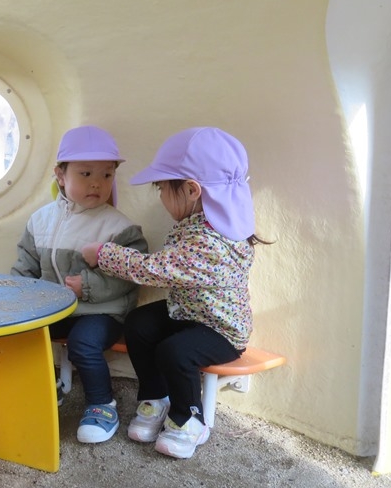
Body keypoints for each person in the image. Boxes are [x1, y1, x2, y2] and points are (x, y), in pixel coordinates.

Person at [82, 126, 270, 459]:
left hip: (221, 331)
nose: (161, 198)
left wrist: (104, 254)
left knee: (176, 351)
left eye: (163, 189)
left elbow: (156, 269)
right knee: (139, 323)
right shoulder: (205, 223)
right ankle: (155, 398)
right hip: (187, 312)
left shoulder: (212, 241)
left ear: (192, 190)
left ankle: (189, 419)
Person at [11, 125, 149, 444]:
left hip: (101, 312)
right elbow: (25, 265)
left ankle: (102, 404)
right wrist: (17, 299)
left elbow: (129, 275)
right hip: (54, 308)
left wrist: (85, 286)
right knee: (23, 333)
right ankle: (46, 386)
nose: (97, 183)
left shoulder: (119, 227)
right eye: (85, 174)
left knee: (83, 344)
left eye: (106, 175)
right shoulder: (40, 220)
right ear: (60, 176)